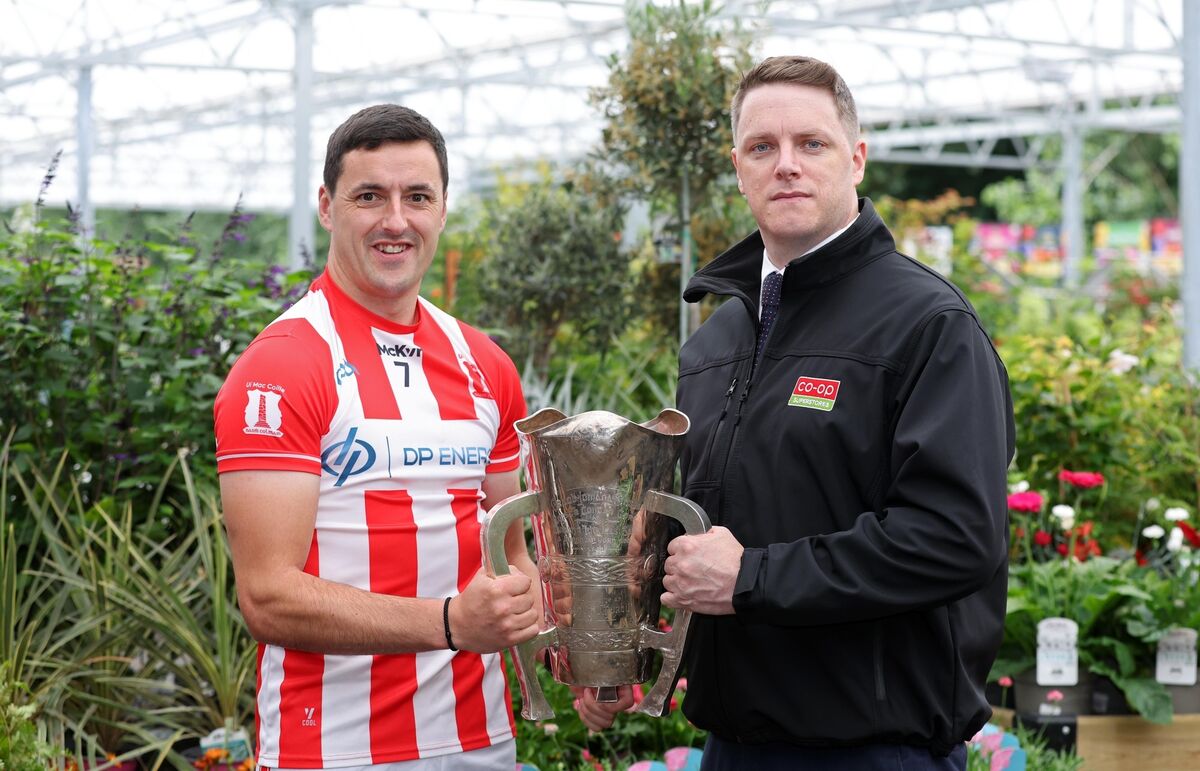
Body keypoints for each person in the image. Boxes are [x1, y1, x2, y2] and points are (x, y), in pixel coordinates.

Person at [581, 56, 1016, 770]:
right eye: (762, 147)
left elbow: (955, 537)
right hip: (733, 746)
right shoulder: (717, 340)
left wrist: (752, 577)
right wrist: (622, 634)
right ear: (738, 168)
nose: (786, 164)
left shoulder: (927, 325)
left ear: (857, 158)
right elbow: (720, 521)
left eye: (811, 143)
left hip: (875, 751)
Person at [213, 104, 541, 770]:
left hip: (480, 740)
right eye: (369, 197)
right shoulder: (282, 365)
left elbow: (511, 554)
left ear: (443, 209)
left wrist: (577, 651)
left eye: (417, 196)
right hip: (332, 748)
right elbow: (267, 597)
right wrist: (450, 622)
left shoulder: (486, 364)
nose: (396, 220)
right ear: (327, 207)